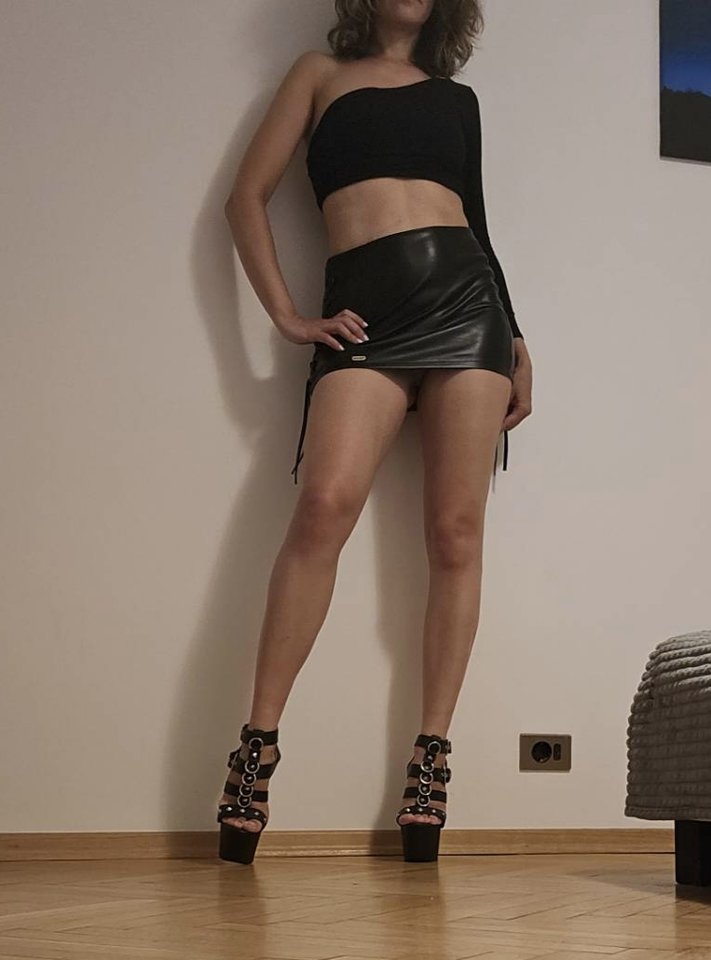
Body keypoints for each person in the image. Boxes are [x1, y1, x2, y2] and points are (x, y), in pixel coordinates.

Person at [218, 0, 533, 865]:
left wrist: (515, 337)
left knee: (455, 534)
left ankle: (429, 761)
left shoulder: (455, 98)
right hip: (365, 316)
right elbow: (244, 198)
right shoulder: (318, 76)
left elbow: (477, 221)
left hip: (468, 308)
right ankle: (256, 748)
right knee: (322, 506)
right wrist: (287, 316)